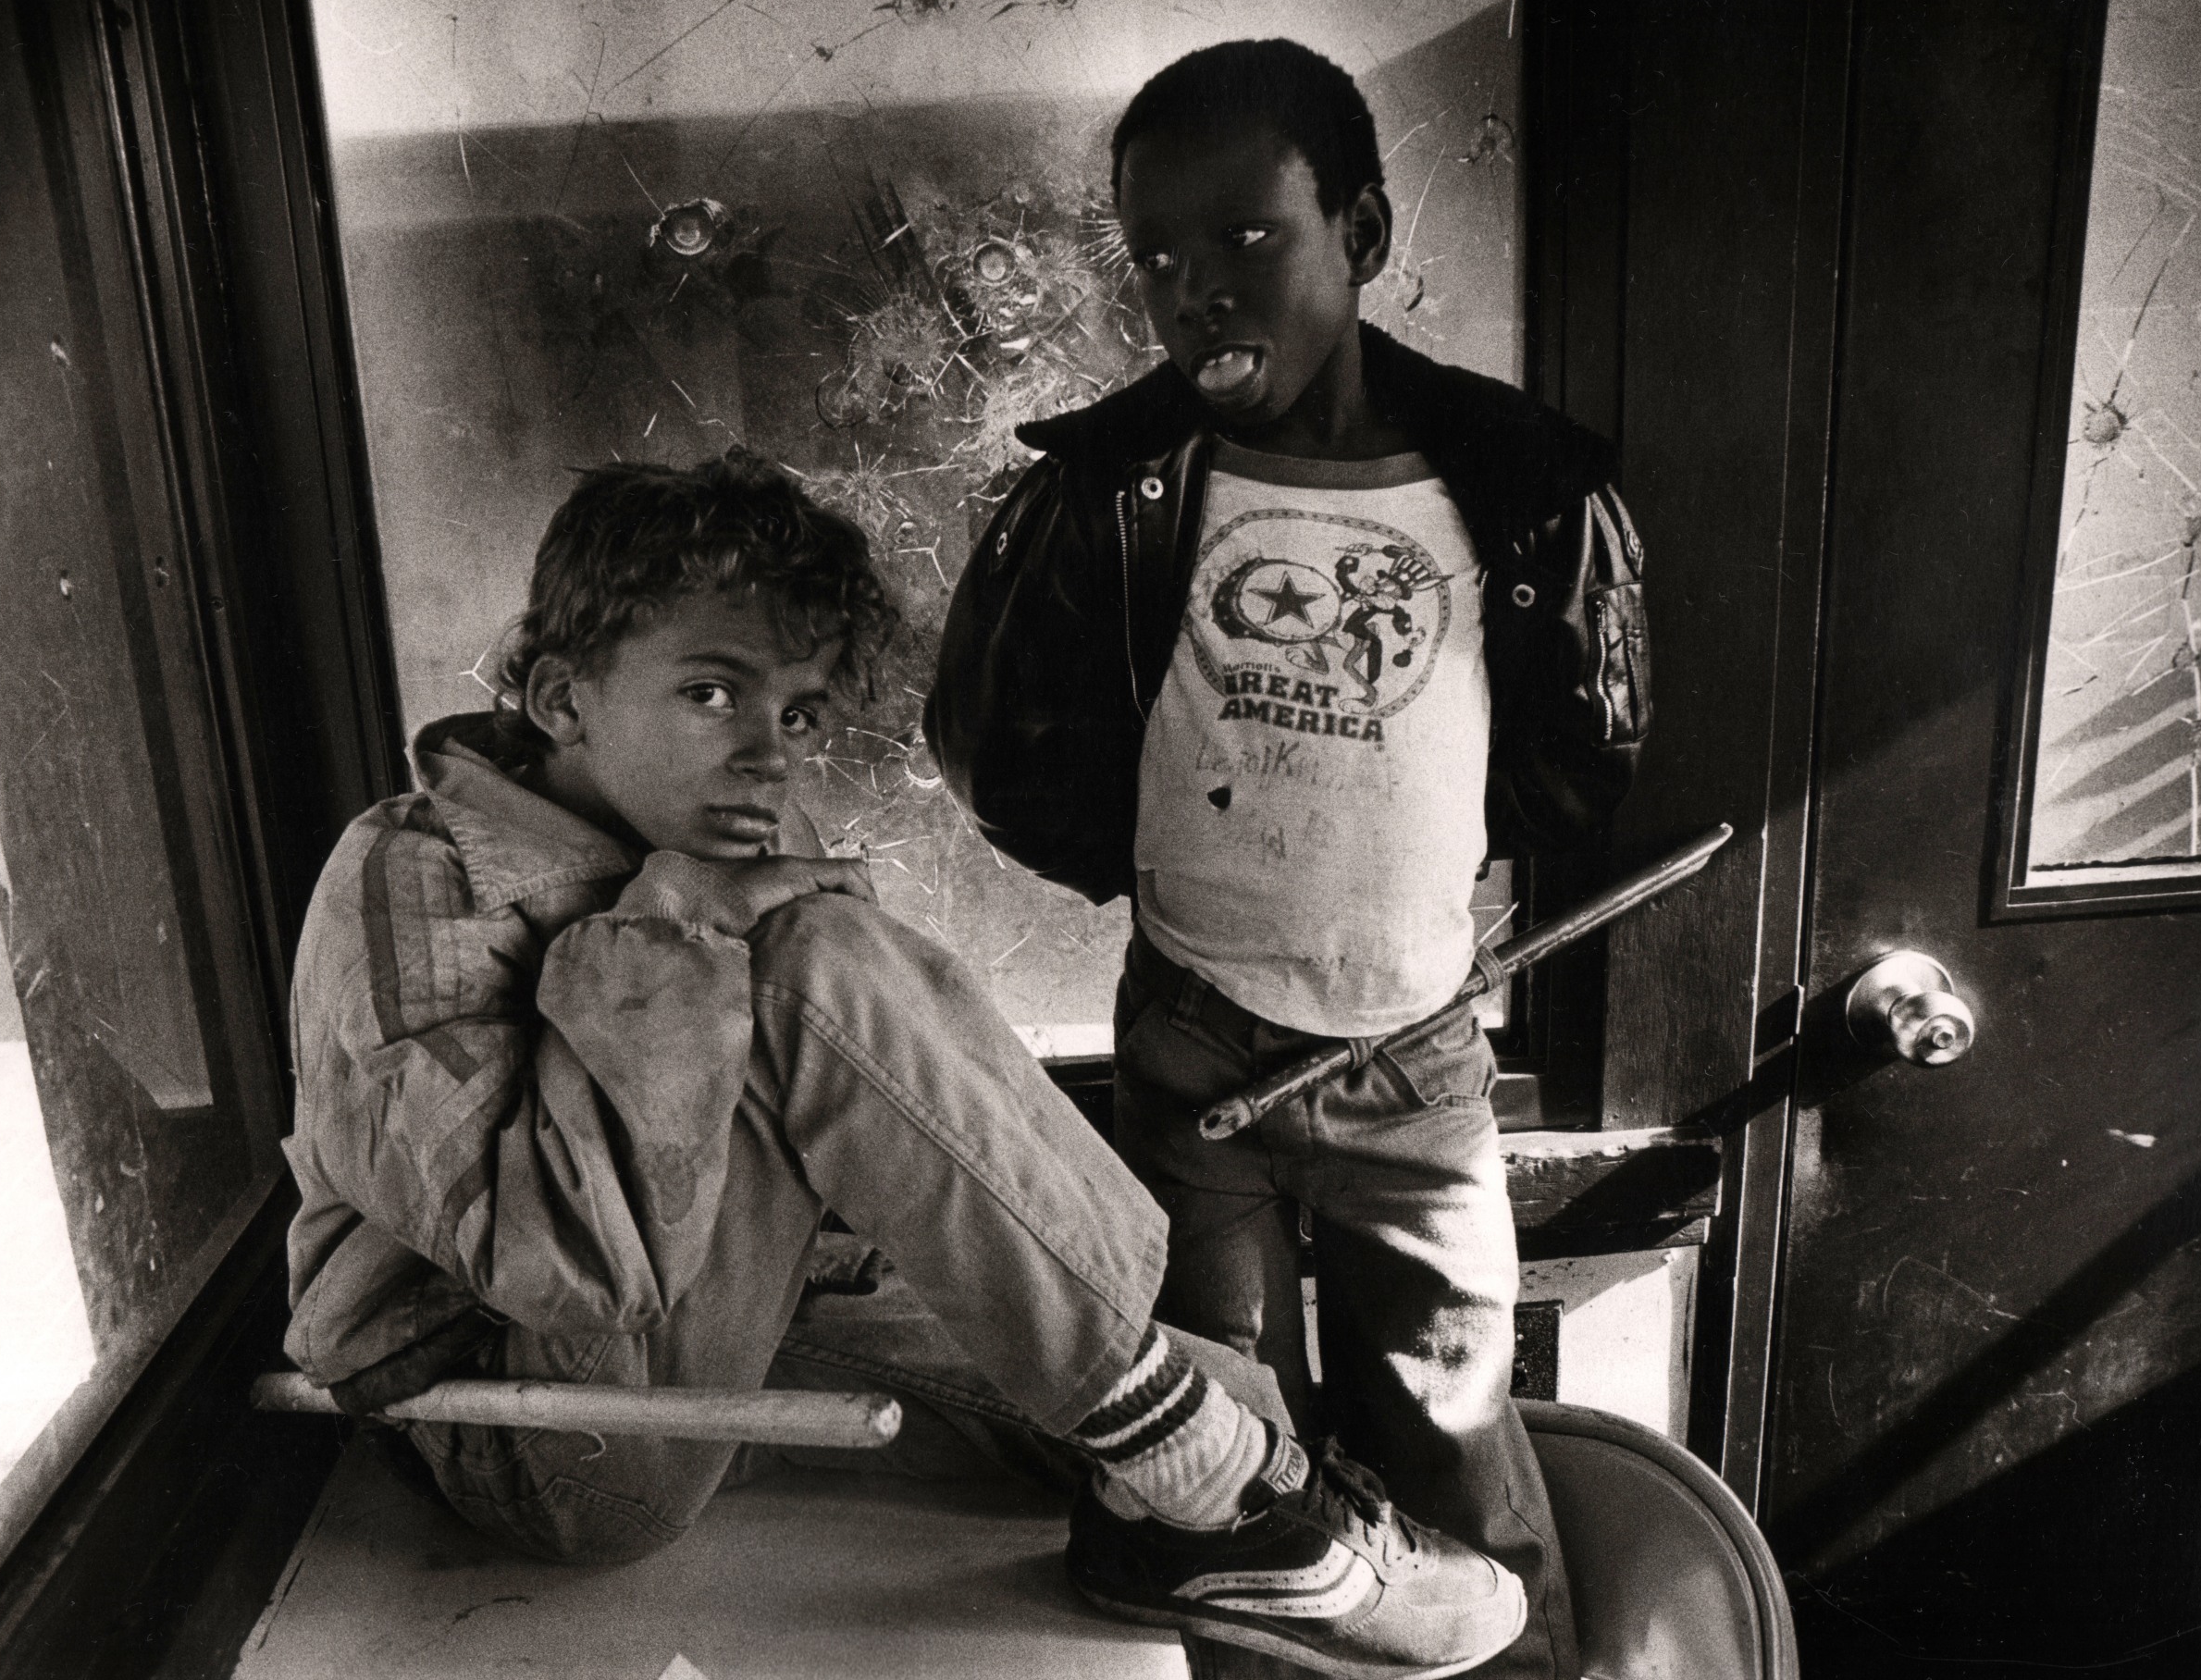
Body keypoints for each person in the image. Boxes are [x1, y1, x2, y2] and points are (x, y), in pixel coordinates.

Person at [278, 450, 1530, 1679]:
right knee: (810, 960)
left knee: (1207, 1400)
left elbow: (864, 1112)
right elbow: (559, 1263)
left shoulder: (711, 823)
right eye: (712, 693)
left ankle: (1198, 1503)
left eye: (799, 712)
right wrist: (672, 927)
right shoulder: (411, 883)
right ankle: (1218, 1483)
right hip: (530, 1430)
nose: (768, 754)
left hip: (747, 1327)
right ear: (560, 700)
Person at [928, 40, 1652, 1680]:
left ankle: (1518, 1666)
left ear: (1367, 233)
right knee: (1228, 1465)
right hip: (1195, 1041)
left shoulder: (1516, 489)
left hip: (1417, 1061)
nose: (1195, 290)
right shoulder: (1123, 487)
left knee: (1456, 1422)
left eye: (1248, 239)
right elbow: (1009, 743)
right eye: (1157, 257)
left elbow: (1565, 759)